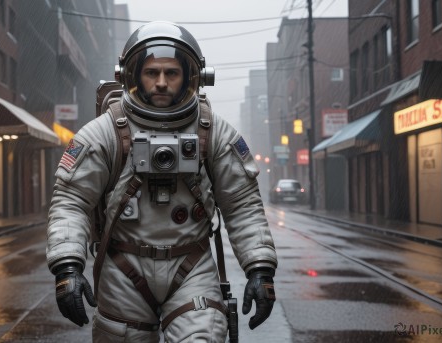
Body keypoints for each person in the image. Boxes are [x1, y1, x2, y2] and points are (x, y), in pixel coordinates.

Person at [47, 21, 278, 342]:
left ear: (190, 77)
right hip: (124, 268)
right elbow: (72, 200)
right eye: (151, 72)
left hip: (191, 267)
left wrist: (260, 268)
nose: (160, 83)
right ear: (132, 75)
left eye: (171, 73)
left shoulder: (212, 131)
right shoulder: (107, 131)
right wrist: (67, 267)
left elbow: (242, 204)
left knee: (203, 337)